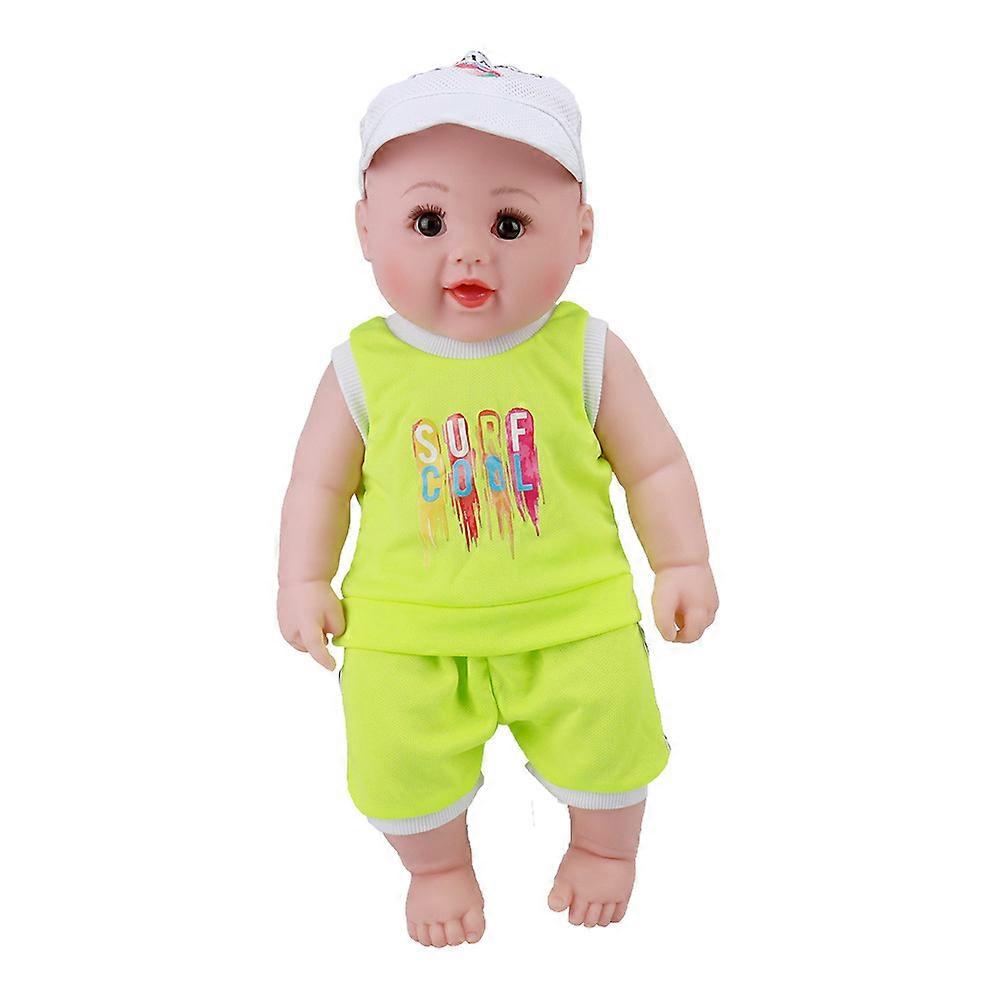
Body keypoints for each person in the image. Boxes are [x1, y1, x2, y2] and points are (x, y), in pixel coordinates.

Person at [277, 51, 718, 947]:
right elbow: (318, 484)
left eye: (511, 223)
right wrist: (302, 580)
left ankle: (603, 850)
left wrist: (683, 560)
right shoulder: (362, 368)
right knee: (394, 758)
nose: (470, 251)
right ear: (365, 228)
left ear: (582, 234)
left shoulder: (584, 352)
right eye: (428, 220)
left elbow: (656, 466)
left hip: (574, 619)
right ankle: (437, 866)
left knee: (614, 734)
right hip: (407, 631)